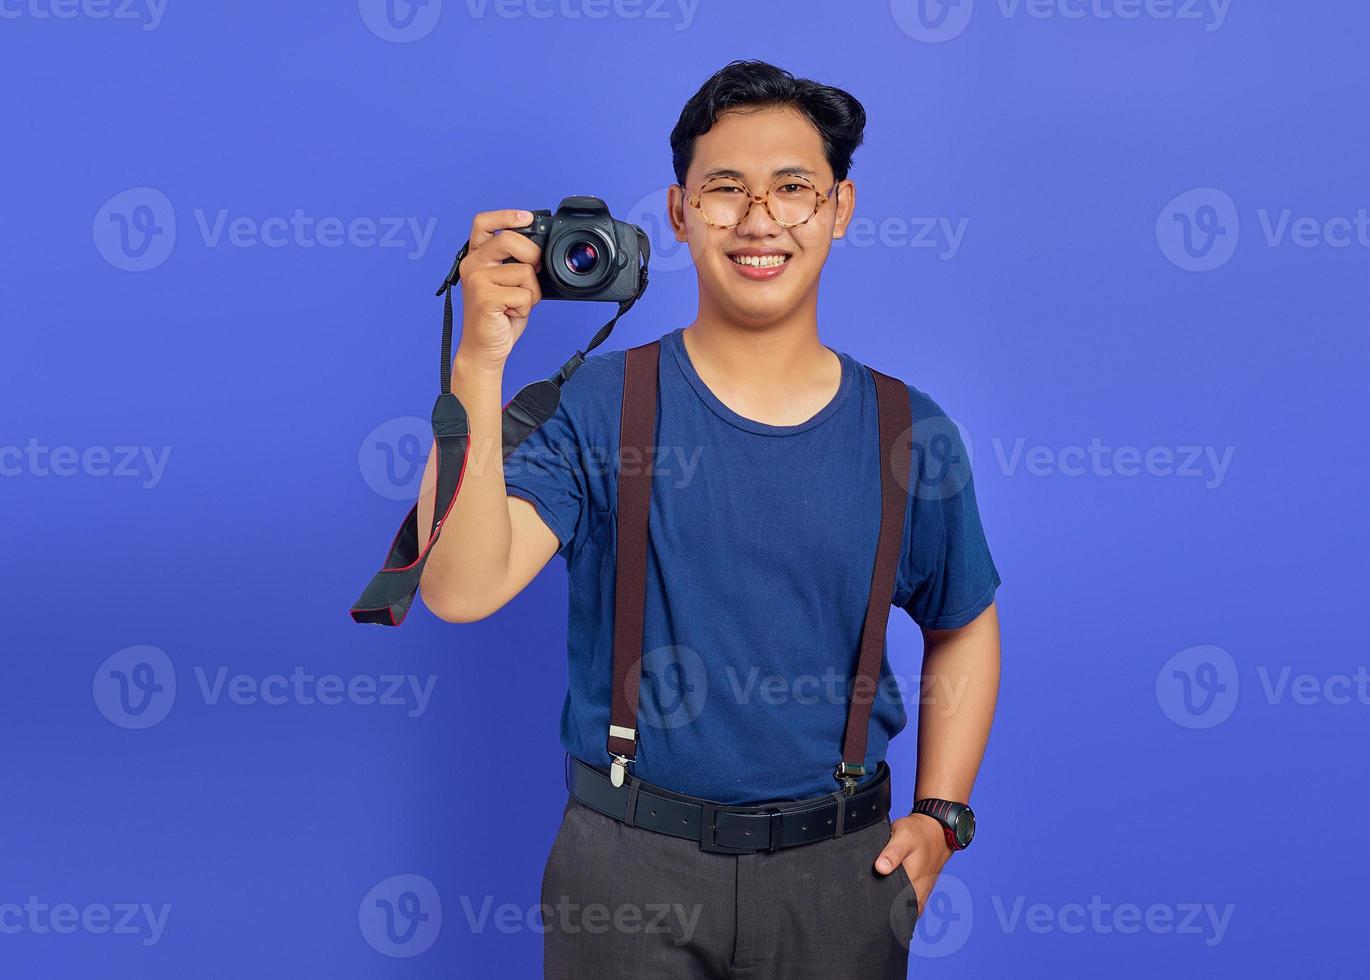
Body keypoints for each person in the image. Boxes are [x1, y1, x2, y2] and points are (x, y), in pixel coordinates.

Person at [414, 59, 1002, 980]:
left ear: (840, 209)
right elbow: (456, 588)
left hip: (841, 870)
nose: (759, 218)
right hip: (627, 866)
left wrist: (943, 814)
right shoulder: (601, 406)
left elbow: (963, 619)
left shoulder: (909, 431)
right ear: (681, 215)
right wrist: (478, 368)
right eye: (724, 190)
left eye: (793, 189)